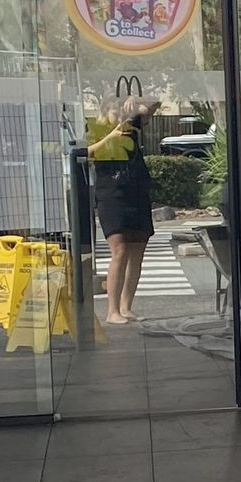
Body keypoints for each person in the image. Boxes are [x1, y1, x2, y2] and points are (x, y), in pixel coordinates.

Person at [85, 96, 157, 325]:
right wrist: (110, 137)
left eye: (120, 111)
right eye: (114, 111)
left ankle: (126, 307)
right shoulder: (96, 130)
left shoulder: (130, 128)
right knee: (120, 250)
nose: (118, 115)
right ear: (104, 112)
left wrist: (135, 101)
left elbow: (154, 104)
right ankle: (112, 310)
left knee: (137, 251)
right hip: (112, 196)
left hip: (135, 193)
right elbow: (87, 153)